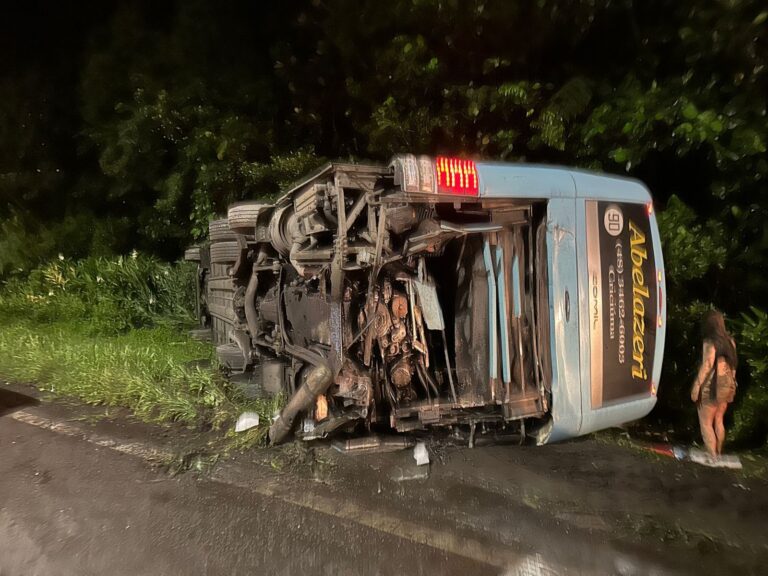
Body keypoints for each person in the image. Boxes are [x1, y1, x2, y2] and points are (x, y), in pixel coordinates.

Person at [690, 310, 738, 458]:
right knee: (719, 420)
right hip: (727, 384)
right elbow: (734, 365)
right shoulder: (731, 341)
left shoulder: (710, 342)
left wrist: (696, 387)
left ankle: (712, 456)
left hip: (712, 386)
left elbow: (707, 364)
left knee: (705, 423)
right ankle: (717, 452)